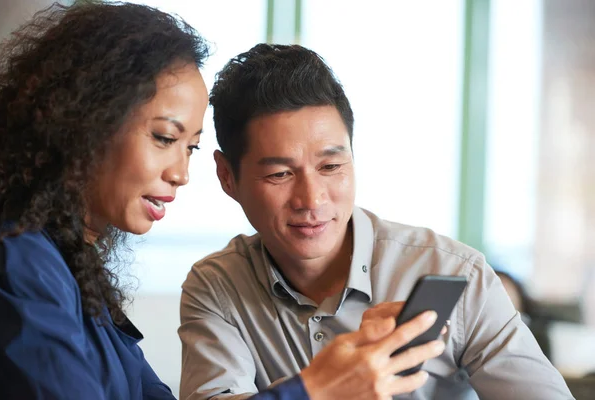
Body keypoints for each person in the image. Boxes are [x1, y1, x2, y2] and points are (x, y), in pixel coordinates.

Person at [0, 3, 444, 400]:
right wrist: (317, 389)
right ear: (82, 122)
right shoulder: (21, 261)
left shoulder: (73, 267)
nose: (180, 174)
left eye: (188, 147)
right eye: (164, 137)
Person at [179, 43, 574, 399]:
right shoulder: (217, 288)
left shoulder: (457, 273)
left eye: (331, 165)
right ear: (227, 176)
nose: (312, 199)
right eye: (280, 174)